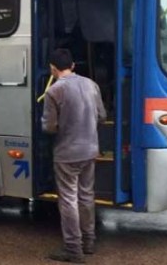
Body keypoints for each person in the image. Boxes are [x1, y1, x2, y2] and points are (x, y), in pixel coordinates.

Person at [42, 48, 106, 263]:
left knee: (68, 199)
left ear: (52, 68)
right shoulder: (91, 85)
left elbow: (49, 127)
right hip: (90, 150)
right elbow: (102, 115)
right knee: (86, 195)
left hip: (67, 153)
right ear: (73, 65)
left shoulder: (54, 91)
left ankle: (73, 248)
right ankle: (89, 241)